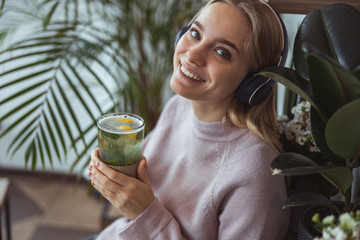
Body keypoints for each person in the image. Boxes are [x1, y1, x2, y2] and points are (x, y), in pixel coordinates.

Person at [87, 0, 290, 239]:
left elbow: (147, 212)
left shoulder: (254, 173)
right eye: (195, 33)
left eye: (222, 52)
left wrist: (144, 213)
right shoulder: (179, 107)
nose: (193, 53)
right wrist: (116, 178)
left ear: (254, 83)